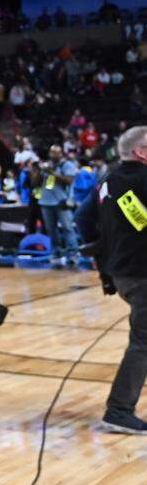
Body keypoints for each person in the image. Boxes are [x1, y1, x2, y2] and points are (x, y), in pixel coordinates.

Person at [94, 126, 147, 434]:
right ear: (141, 152)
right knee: (142, 343)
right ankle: (119, 409)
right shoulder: (141, 181)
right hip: (142, 273)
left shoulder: (107, 181)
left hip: (124, 272)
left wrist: (105, 271)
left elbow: (88, 224)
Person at [37, 144, 79, 267]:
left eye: (56, 152)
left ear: (61, 154)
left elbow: (69, 181)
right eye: (52, 152)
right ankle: (56, 252)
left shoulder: (67, 165)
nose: (53, 155)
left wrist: (52, 172)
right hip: (46, 201)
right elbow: (36, 183)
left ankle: (73, 254)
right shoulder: (46, 165)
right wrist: (38, 171)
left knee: (67, 227)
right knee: (51, 229)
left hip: (61, 201)